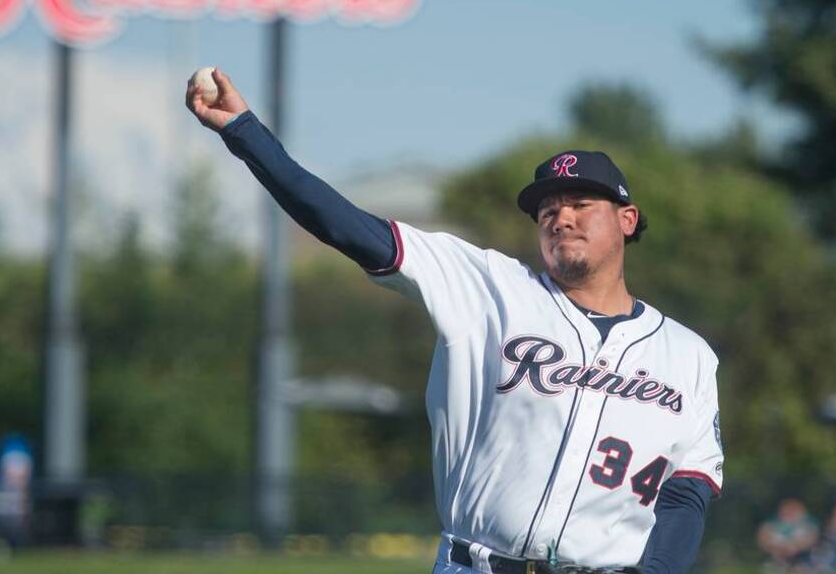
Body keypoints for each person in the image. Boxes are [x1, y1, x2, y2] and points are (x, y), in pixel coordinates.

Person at [187, 69, 724, 574]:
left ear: (627, 220)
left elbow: (687, 491)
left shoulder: (689, 356)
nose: (561, 217)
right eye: (548, 212)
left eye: (581, 204)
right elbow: (347, 226)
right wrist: (244, 132)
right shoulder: (490, 287)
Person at [757, 498, 820, 573]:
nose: (789, 511)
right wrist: (776, 548)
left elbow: (811, 538)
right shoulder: (773, 522)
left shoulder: (807, 523)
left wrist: (795, 546)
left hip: (802, 557)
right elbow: (763, 537)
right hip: (777, 555)